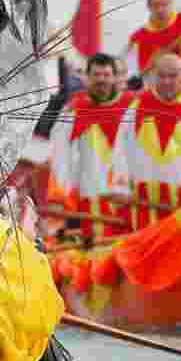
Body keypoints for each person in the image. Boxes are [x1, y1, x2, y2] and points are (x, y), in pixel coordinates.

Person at [109, 53, 181, 230]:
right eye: (162, 75)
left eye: (173, 76)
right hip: (142, 202)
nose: (167, 81)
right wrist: (121, 187)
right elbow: (121, 150)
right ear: (153, 76)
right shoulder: (137, 105)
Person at [47, 52, 136, 240]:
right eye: (96, 75)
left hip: (127, 199)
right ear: (87, 78)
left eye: (106, 75)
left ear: (114, 77)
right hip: (89, 196)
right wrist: (59, 195)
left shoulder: (133, 107)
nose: (101, 80)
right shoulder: (74, 109)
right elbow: (60, 155)